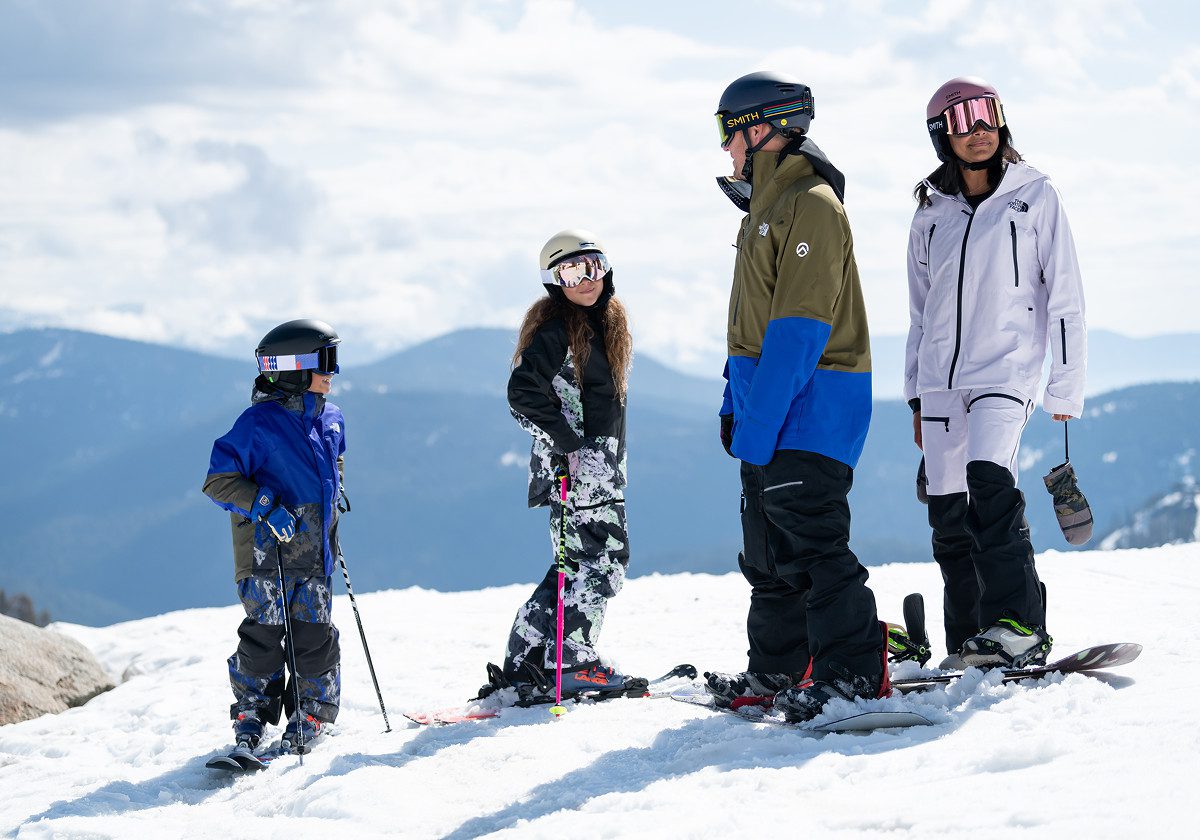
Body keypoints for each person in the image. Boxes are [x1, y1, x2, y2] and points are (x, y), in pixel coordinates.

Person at [705, 71, 889, 722]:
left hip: (814, 404)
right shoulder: (765, 206)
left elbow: (799, 328)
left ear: (763, 129)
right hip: (770, 407)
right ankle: (780, 668)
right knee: (767, 553)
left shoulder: (811, 202)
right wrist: (736, 401)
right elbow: (749, 327)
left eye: (729, 135)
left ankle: (853, 675)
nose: (726, 151)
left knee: (812, 543)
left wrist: (759, 421)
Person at [906, 76, 1086, 668]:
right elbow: (920, 310)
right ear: (942, 136)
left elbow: (1064, 295)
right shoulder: (930, 212)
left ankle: (1018, 625)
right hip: (939, 380)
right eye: (960, 120)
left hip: (1005, 373)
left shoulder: (1035, 196)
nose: (976, 129)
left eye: (985, 114)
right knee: (948, 511)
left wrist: (1065, 385)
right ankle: (967, 638)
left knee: (989, 482)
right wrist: (914, 396)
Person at [481, 229, 643, 702]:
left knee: (573, 565)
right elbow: (522, 393)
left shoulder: (600, 323)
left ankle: (529, 656)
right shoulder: (558, 329)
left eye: (591, 265)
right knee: (601, 562)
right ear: (554, 282)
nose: (584, 279)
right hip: (580, 471)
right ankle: (572, 661)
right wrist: (569, 442)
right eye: (570, 271)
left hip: (597, 469)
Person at [203, 319, 346, 752]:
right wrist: (263, 504)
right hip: (265, 555)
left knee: (314, 634)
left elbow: (334, 465)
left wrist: (334, 499)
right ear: (295, 368)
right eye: (326, 361)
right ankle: (251, 713)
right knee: (263, 635)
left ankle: (312, 714)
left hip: (314, 553)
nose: (333, 371)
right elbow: (218, 481)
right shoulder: (257, 424)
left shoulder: (332, 418)